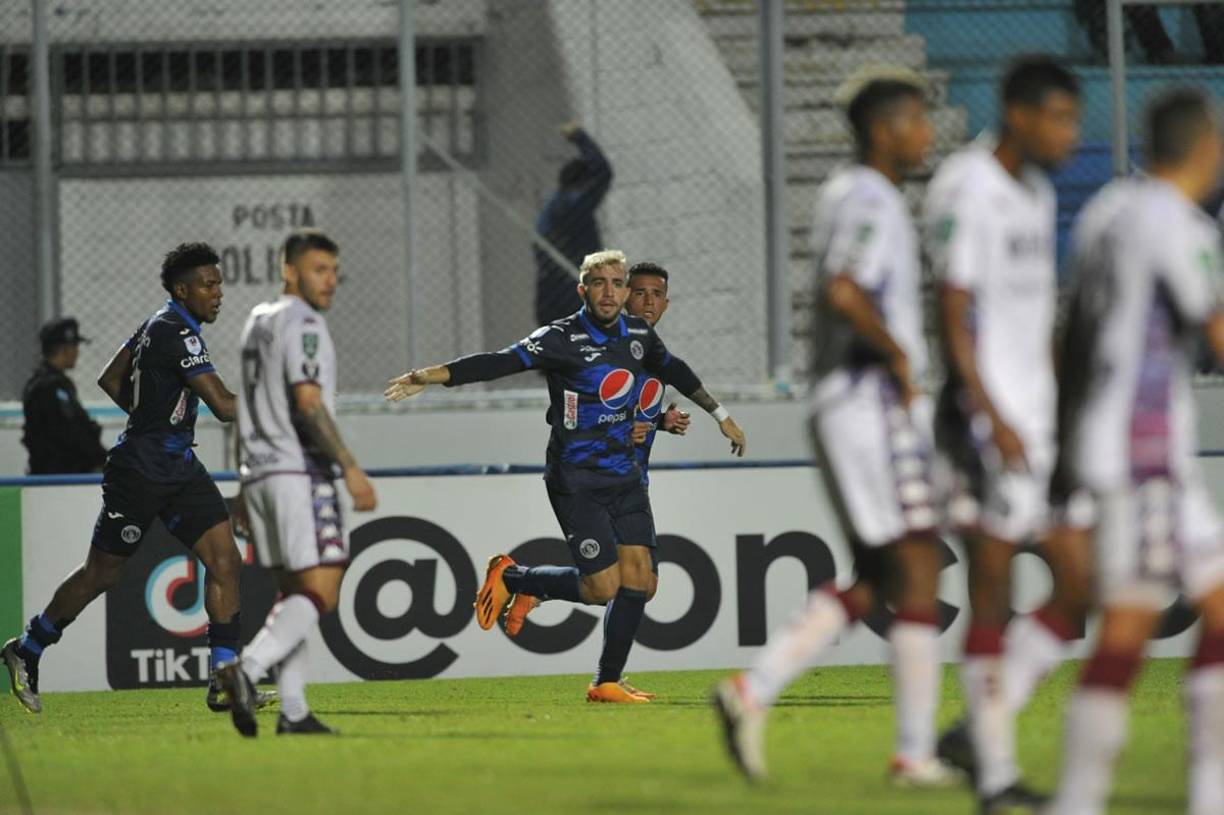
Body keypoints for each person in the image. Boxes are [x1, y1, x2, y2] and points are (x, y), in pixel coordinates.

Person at [713, 66, 956, 787]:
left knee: (883, 574)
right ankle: (913, 753)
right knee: (915, 561)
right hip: (865, 400)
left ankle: (752, 690)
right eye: (915, 119)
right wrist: (899, 352)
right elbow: (843, 289)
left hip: (848, 402)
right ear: (884, 131)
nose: (926, 133)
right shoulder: (871, 200)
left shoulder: (850, 196)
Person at [386, 249, 746, 703]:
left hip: (626, 477)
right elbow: (499, 361)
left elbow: (674, 368)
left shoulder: (637, 334)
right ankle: (517, 579)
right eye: (601, 284)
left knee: (643, 581)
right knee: (603, 589)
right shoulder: (561, 337)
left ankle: (606, 682)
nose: (611, 292)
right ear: (584, 290)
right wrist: (431, 375)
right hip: (577, 479)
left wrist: (720, 415)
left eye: (618, 284)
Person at [1046, 87, 1224, 815]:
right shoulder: (1182, 228)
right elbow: (1215, 329)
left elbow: (1071, 334)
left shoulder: (1106, 212)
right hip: (1147, 450)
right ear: (1206, 147)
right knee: (1124, 627)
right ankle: (1078, 799)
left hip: (1117, 440)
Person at [924, 55, 1083, 813]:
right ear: (1019, 114)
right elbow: (952, 308)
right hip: (989, 427)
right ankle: (993, 772)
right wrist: (987, 411)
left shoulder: (1039, 190)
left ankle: (974, 733)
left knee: (1078, 582)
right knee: (991, 594)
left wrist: (1059, 407)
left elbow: (1036, 315)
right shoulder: (968, 184)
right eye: (1060, 117)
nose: (1072, 134)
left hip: (1042, 424)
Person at [3, 243, 247, 715]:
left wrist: (156, 420)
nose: (219, 293)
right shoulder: (179, 334)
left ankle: (224, 677)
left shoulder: (159, 322)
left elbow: (111, 378)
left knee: (224, 559)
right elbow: (225, 407)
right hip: (140, 473)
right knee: (103, 573)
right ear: (183, 289)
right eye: (209, 285)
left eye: (219, 284)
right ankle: (27, 647)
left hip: (177, 467)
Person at [216, 230, 377, 738]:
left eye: (333, 270)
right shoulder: (304, 323)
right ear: (288, 270)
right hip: (299, 471)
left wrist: (243, 482)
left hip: (261, 472)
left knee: (292, 594)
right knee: (322, 584)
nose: (329, 281)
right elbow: (308, 402)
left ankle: (294, 711)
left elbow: (246, 407)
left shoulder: (256, 322)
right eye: (317, 270)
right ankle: (246, 670)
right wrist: (349, 466)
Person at [534, 123, 613, 326]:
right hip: (569, 296)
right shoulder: (572, 205)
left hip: (554, 296)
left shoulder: (553, 210)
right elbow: (603, 172)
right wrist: (579, 137)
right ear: (581, 184)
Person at [21, 317, 108, 474]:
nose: (77, 352)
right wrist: (102, 458)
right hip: (59, 475)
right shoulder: (50, 387)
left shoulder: (49, 383)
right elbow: (71, 434)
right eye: (75, 346)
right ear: (64, 349)